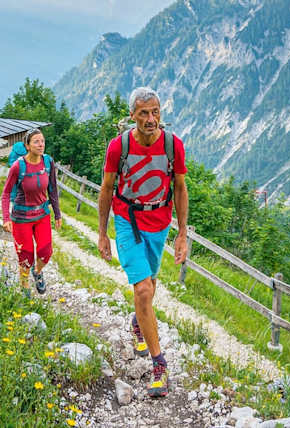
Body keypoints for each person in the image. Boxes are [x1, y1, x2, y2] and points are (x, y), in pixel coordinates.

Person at [96, 87, 188, 398]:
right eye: (144, 113)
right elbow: (106, 188)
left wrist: (182, 234)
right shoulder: (118, 147)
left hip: (159, 222)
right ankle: (159, 365)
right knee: (144, 289)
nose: (151, 119)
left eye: (155, 112)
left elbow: (180, 188)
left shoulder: (173, 146)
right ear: (132, 115)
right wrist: (102, 232)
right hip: (127, 219)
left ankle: (139, 322)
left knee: (150, 283)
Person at [1, 129, 63, 296]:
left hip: (42, 215)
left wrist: (57, 214)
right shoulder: (18, 166)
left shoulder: (48, 162)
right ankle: (24, 285)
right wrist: (6, 218)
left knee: (46, 252)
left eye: (42, 141)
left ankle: (37, 272)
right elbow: (6, 193)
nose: (41, 144)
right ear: (27, 146)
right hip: (21, 218)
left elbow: (53, 189)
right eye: (36, 141)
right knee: (25, 254)